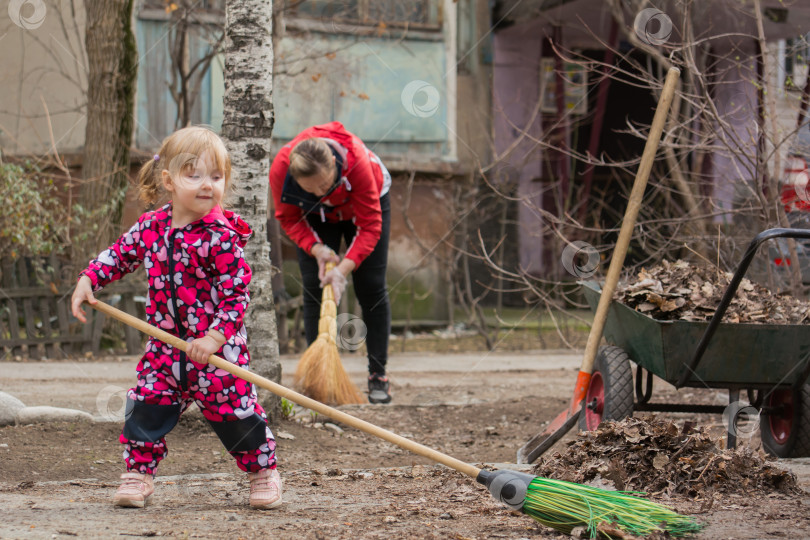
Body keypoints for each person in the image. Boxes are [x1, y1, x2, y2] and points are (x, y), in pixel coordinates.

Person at [71, 126, 281, 509]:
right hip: (165, 346)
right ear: (168, 180)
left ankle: (263, 473)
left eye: (216, 177)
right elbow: (119, 254)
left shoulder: (220, 237)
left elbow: (237, 293)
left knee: (235, 414)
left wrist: (216, 338)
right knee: (147, 404)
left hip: (217, 352)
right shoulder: (152, 227)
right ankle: (138, 474)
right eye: (194, 174)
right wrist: (89, 279)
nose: (207, 185)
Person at [269, 121, 392, 404]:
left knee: (370, 286)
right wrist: (316, 249)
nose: (319, 193)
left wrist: (343, 270)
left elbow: (371, 227)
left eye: (324, 185)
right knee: (314, 285)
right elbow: (288, 217)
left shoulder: (357, 163)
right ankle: (318, 379)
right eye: (310, 189)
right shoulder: (281, 171)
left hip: (365, 201)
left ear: (335, 165)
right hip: (316, 217)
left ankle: (378, 375)